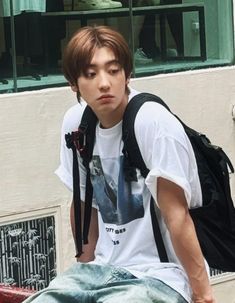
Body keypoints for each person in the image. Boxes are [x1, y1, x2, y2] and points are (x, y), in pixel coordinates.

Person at [23, 25, 215, 303]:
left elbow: (178, 216)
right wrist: (82, 269)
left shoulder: (153, 123)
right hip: (102, 271)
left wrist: (203, 296)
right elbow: (82, 203)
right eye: (91, 74)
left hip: (161, 276)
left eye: (113, 70)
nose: (104, 83)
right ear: (73, 83)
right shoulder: (77, 126)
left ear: (127, 74)